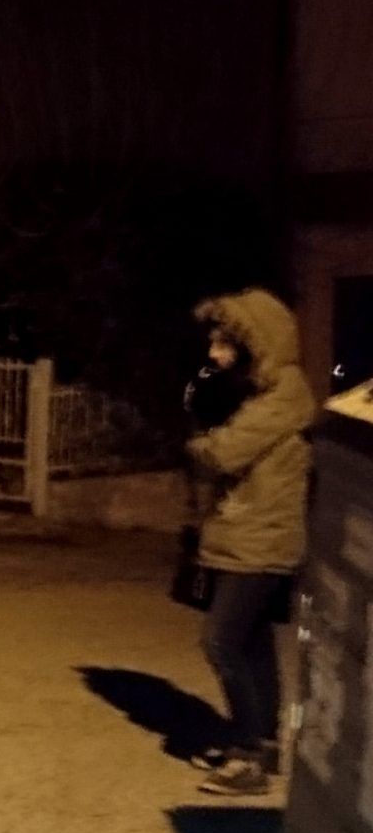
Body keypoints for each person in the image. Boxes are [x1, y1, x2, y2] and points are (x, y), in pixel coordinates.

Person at [184, 289, 314, 795]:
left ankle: (249, 755)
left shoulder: (282, 398)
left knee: (220, 641)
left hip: (263, 539)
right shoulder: (261, 394)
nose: (213, 354)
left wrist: (198, 437)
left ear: (254, 345)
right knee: (253, 643)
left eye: (224, 344)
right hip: (248, 534)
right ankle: (263, 744)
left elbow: (222, 453)